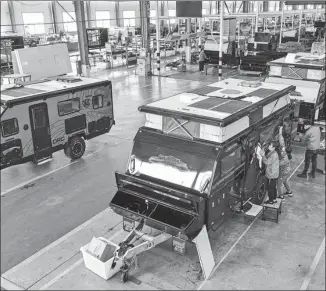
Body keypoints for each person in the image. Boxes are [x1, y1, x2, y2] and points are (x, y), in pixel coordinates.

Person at [260, 140, 280, 204]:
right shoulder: (273, 152)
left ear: (274, 147)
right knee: (273, 187)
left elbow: (267, 162)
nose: (269, 146)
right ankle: (274, 199)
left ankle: (271, 200)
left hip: (272, 174)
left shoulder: (273, 155)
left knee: (270, 188)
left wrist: (263, 155)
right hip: (275, 174)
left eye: (270, 145)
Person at [277, 126, 292, 199]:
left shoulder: (284, 159)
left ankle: (281, 197)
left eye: (283, 150)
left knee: (279, 184)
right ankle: (289, 192)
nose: (282, 149)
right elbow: (281, 140)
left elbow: (277, 164)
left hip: (284, 172)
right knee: (285, 180)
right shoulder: (285, 152)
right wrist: (280, 130)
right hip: (286, 171)